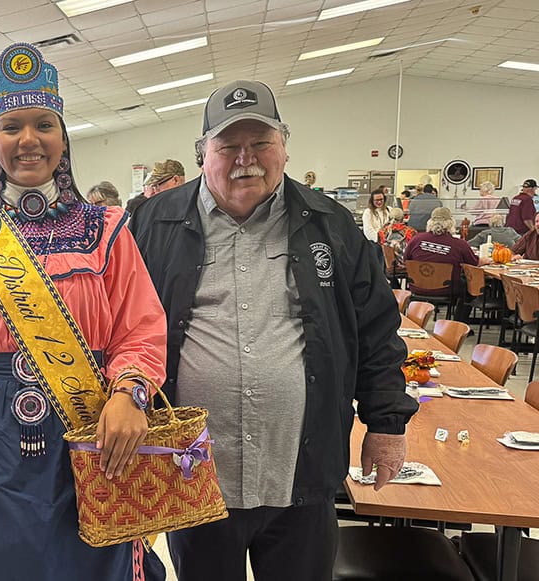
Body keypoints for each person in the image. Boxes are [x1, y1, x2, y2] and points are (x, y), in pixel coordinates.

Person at [129, 80, 417, 581]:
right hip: (193, 472)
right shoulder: (153, 224)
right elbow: (124, 330)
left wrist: (386, 424)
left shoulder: (332, 225)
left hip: (301, 473)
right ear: (202, 154)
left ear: (284, 146)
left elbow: (376, 331)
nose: (247, 158)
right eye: (228, 145)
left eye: (261, 143)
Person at [0, 43, 168, 581]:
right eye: (11, 127)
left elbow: (141, 330)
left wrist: (130, 392)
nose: (28, 140)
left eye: (43, 125)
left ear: (63, 139)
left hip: (97, 435)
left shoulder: (108, 230)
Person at [403, 207, 489, 322]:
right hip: (447, 289)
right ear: (450, 224)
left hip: (417, 286)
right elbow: (474, 263)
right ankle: (458, 324)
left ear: (430, 222)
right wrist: (485, 260)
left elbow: (406, 260)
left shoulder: (416, 240)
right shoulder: (459, 244)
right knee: (469, 287)